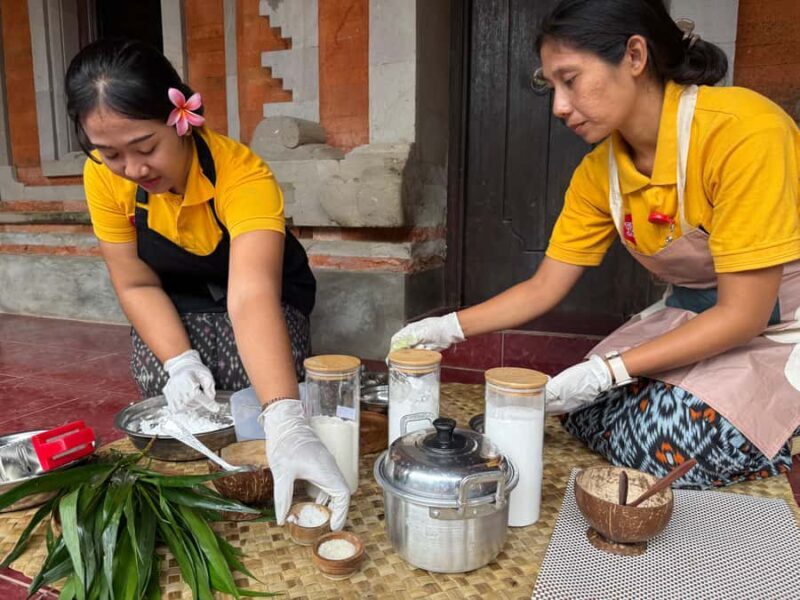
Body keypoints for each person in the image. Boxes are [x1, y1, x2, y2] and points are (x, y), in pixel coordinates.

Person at [391, 0, 800, 488]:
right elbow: (543, 288)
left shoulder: (743, 132)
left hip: (775, 326)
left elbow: (743, 315)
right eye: (552, 87)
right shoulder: (599, 172)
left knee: (669, 439)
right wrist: (447, 328)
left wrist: (610, 371)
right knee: (580, 410)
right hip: (692, 318)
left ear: (634, 56)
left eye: (571, 80)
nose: (559, 107)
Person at [65, 39, 350, 528]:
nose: (133, 169)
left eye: (146, 147)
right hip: (179, 297)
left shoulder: (243, 174)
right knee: (169, 396)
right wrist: (179, 361)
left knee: (251, 394)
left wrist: (285, 418)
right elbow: (135, 284)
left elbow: (251, 295)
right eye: (110, 153)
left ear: (182, 118)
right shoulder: (104, 177)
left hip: (262, 293)